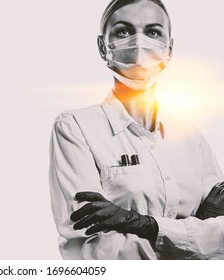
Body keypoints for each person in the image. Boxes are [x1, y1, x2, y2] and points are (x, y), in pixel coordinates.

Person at [49, 0, 224, 260]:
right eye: (124, 31)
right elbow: (101, 250)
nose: (139, 42)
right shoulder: (75, 128)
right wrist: (194, 230)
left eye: (153, 32)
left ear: (169, 49)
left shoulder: (192, 138)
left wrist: (142, 225)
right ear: (102, 46)